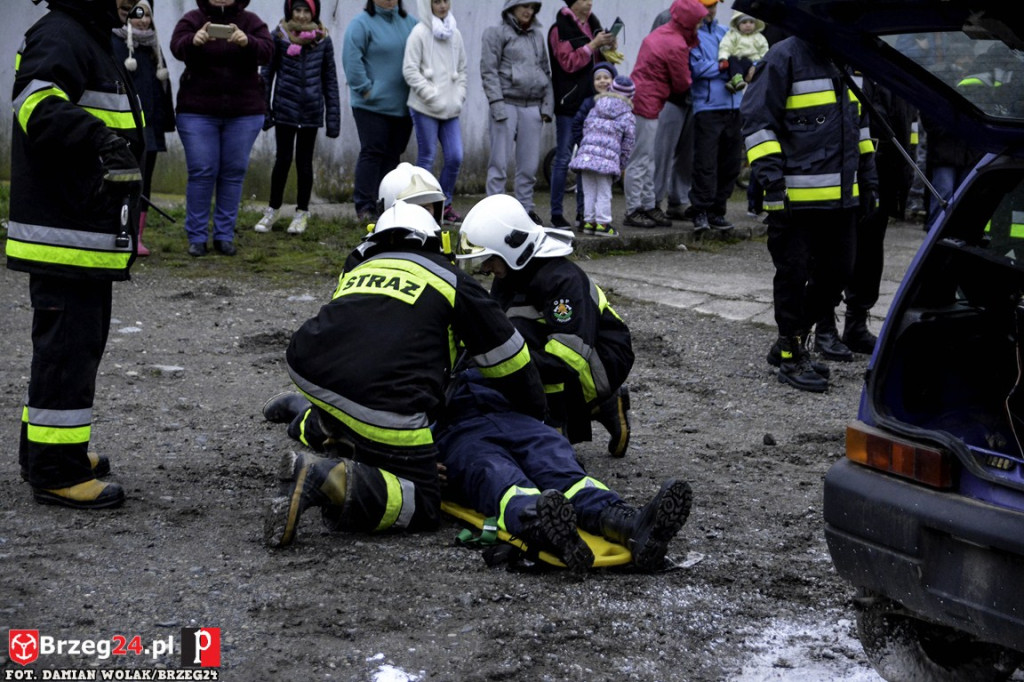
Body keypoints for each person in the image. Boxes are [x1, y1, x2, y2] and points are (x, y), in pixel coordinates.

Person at [262, 200, 547, 547]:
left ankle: (308, 420)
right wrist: (535, 422)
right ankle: (326, 477)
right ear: (431, 241)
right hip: (383, 399)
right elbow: (513, 361)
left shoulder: (358, 268)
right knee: (426, 500)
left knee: (354, 411)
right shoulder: (451, 280)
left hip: (309, 370)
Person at [10, 0, 145, 508]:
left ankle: (45, 451)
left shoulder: (84, 33)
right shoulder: (62, 33)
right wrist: (102, 141)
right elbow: (34, 105)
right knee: (66, 355)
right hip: (65, 234)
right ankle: (56, 471)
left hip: (81, 234)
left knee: (68, 352)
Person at [437, 371, 693, 573]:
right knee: (496, 475)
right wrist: (414, 461)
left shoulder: (479, 315)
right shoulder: (411, 322)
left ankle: (630, 523)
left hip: (513, 415)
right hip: (456, 432)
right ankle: (540, 526)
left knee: (561, 469)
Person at [741, 35, 878, 392]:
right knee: (793, 274)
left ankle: (792, 336)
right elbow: (757, 122)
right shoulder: (783, 57)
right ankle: (790, 353)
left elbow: (859, 126)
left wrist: (869, 178)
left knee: (839, 273)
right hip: (794, 197)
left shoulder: (849, 57)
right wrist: (772, 183)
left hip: (843, 198)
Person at [458, 194, 635, 458]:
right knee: (510, 340)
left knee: (522, 345)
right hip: (569, 356)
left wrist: (502, 364)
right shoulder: (513, 271)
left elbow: (567, 361)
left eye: (489, 259)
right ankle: (599, 408)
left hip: (603, 360)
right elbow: (491, 327)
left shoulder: (562, 279)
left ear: (512, 246)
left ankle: (556, 425)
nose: (485, 267)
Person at [171, 0, 274, 257]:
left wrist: (247, 42)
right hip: (197, 111)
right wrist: (193, 40)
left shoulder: (252, 21)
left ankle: (224, 235)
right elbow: (176, 47)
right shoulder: (192, 19)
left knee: (233, 172)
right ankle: (196, 237)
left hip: (244, 112)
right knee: (202, 170)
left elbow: (268, 52)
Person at [839, 80, 918, 355]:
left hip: (885, 173)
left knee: (871, 252)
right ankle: (823, 326)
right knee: (838, 251)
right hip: (852, 171)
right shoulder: (857, 69)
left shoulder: (895, 75)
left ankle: (855, 325)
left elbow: (909, 128)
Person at [253, 0, 340, 236]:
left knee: (304, 163)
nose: (301, 16)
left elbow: (330, 80)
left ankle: (302, 212)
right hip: (285, 110)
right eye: (297, 10)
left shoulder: (323, 40)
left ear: (314, 13)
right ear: (289, 12)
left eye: (306, 11)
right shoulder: (279, 37)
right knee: (282, 160)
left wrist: (333, 119)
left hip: (311, 112)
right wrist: (265, 110)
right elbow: (267, 74)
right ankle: (273, 209)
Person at [622, 0, 705, 229]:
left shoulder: (662, 33)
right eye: (697, 22)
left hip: (646, 98)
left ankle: (649, 205)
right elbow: (682, 83)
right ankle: (633, 209)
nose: (699, 27)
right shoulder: (676, 43)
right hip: (648, 102)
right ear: (688, 21)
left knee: (649, 158)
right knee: (641, 159)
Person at [342, 0, 418, 223]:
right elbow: (351, 58)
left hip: (403, 105)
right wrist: (365, 89)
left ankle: (385, 204)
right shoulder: (361, 24)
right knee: (372, 151)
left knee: (393, 156)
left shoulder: (411, 24)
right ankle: (364, 206)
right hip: (371, 105)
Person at [480, 1, 553, 227]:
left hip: (532, 106)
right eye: (523, 5)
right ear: (511, 8)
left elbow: (545, 70)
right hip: (506, 103)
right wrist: (497, 105)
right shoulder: (495, 33)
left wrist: (546, 107)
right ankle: (493, 212)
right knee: (499, 164)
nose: (528, 11)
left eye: (532, 7)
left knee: (529, 167)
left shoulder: (538, 36)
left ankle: (525, 212)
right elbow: (488, 71)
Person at [547, 0, 617, 229]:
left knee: (586, 161)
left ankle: (583, 214)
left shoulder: (594, 25)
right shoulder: (560, 28)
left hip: (591, 103)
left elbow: (598, 65)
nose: (589, 3)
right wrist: (593, 45)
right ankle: (556, 213)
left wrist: (607, 47)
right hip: (569, 102)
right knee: (564, 158)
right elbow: (567, 62)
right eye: (584, 0)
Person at [112, 0, 175, 257]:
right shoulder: (114, 43)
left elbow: (163, 89)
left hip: (149, 126)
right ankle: (117, 230)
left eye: (147, 15)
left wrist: (164, 123)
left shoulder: (153, 47)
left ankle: (137, 235)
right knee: (119, 179)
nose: (143, 20)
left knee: (143, 182)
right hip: (122, 126)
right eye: (137, 14)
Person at [402, 0, 468, 226]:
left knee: (455, 156)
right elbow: (409, 70)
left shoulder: (454, 33)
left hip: (450, 109)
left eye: (445, 1)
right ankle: (422, 207)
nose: (442, 6)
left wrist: (458, 97)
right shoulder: (418, 33)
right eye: (436, 1)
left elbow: (462, 70)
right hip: (424, 108)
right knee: (427, 156)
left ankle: (445, 204)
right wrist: (431, 95)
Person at [687, 0, 742, 234]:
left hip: (734, 105)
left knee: (730, 165)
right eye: (705, 6)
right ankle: (700, 210)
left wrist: (736, 67)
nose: (709, 11)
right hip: (708, 108)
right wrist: (725, 68)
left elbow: (743, 60)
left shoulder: (727, 32)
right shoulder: (693, 36)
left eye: (712, 6)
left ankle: (717, 211)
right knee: (706, 163)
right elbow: (696, 69)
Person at [570, 75, 636, 237]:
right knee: (604, 193)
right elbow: (628, 144)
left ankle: (588, 222)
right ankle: (603, 223)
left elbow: (586, 127)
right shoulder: (628, 116)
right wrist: (621, 165)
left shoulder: (596, 107)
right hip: (607, 162)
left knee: (589, 191)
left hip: (586, 156)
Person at [650, 7, 695, 224]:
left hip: (694, 96)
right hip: (670, 96)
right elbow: (656, 51)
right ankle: (654, 202)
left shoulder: (705, 20)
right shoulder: (666, 17)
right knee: (662, 153)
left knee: (687, 154)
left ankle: (679, 201)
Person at [717, 11, 768, 94]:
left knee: (745, 61)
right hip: (736, 62)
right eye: (744, 22)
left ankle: (735, 81)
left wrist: (757, 64)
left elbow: (765, 52)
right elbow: (726, 46)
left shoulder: (759, 37)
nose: (748, 25)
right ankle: (735, 81)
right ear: (738, 24)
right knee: (732, 59)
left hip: (752, 64)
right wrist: (723, 58)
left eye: (751, 22)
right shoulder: (733, 35)